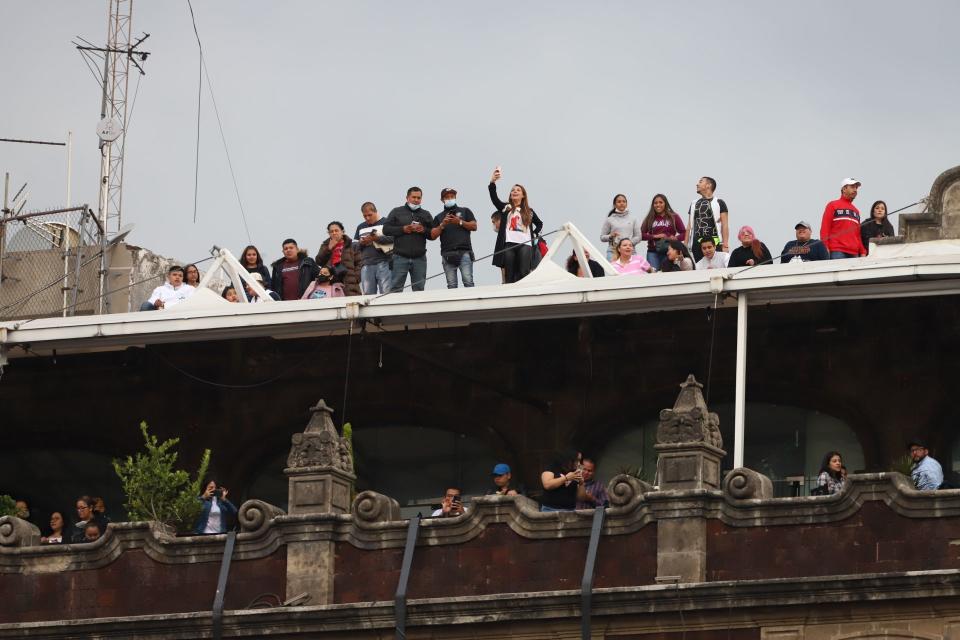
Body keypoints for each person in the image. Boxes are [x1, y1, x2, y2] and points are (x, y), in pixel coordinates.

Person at [489, 167, 544, 284]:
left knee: (524, 272)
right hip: (509, 244)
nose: (514, 191)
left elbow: (540, 224)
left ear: (523, 195)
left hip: (525, 244)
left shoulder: (529, 211)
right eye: (513, 190)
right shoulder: (506, 208)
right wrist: (492, 182)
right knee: (509, 273)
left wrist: (534, 234)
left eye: (518, 190)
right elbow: (494, 199)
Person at [383, 187, 434, 292]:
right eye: (413, 197)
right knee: (396, 289)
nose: (416, 200)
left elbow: (432, 235)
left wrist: (423, 229)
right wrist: (403, 229)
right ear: (407, 198)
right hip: (399, 257)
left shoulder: (426, 214)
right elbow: (385, 229)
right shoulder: (396, 211)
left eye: (418, 198)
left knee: (419, 289)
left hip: (419, 258)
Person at [430, 187, 478, 288]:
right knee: (451, 285)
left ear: (455, 197)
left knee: (468, 281)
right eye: (447, 197)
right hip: (447, 254)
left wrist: (459, 222)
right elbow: (433, 235)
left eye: (452, 196)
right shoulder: (439, 217)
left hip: (464, 252)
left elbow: (474, 226)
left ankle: (471, 304)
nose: (450, 198)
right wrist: (442, 224)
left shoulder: (465, 211)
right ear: (442, 200)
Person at [820, 178, 866, 259]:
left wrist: (862, 251)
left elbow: (857, 235)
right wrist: (825, 247)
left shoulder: (856, 211)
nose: (855, 190)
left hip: (854, 253)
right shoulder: (832, 205)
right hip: (837, 251)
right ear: (844, 189)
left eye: (856, 188)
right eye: (852, 187)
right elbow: (825, 228)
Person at [354, 202, 394, 295]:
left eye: (370, 215)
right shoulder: (360, 227)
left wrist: (376, 238)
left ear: (376, 212)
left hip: (385, 262)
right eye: (365, 216)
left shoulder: (386, 223)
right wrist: (362, 242)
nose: (367, 218)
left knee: (386, 294)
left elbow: (394, 239)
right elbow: (355, 246)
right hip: (366, 264)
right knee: (368, 295)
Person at [687, 177, 729, 263]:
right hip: (696, 244)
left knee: (717, 267)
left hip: (715, 242)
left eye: (700, 182)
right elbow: (689, 226)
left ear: (708, 185)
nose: (697, 184)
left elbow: (725, 225)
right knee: (699, 269)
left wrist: (725, 245)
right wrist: (685, 245)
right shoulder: (694, 204)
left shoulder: (719, 202)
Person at [641, 194, 686, 270]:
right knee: (654, 276)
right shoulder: (649, 218)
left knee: (668, 274)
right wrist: (654, 236)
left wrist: (675, 238)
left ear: (665, 203)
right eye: (655, 203)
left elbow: (684, 233)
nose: (658, 205)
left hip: (669, 251)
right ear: (653, 205)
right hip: (653, 252)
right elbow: (641, 235)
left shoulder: (674, 216)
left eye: (661, 202)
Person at [315, 221, 362, 296]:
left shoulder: (352, 244)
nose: (334, 233)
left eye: (336, 230)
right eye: (331, 231)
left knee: (351, 304)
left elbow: (360, 263)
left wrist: (356, 278)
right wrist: (329, 248)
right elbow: (319, 261)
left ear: (342, 232)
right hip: (331, 283)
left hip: (349, 283)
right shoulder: (325, 245)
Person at [600, 194, 642, 261]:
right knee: (614, 271)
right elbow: (602, 237)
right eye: (619, 202)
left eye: (623, 201)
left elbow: (638, 236)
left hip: (630, 252)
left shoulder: (633, 219)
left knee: (632, 271)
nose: (621, 203)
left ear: (626, 204)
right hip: (613, 252)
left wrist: (627, 244)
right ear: (614, 204)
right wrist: (610, 236)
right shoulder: (609, 219)